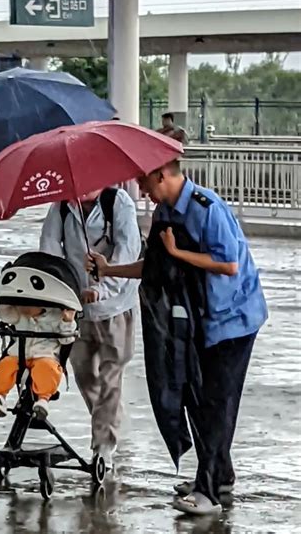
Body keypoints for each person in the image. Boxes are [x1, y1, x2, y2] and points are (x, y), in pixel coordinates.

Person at [88, 160, 268, 514]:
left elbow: (228, 264)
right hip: (197, 321)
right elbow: (154, 265)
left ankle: (208, 491)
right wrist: (109, 269)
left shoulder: (206, 207)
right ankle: (220, 474)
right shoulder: (163, 214)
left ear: (163, 175)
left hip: (233, 319)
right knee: (197, 399)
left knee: (217, 403)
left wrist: (177, 252)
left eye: (143, 181)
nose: (140, 189)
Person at [40, 188, 141, 470]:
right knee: (84, 374)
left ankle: (102, 446)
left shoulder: (117, 203)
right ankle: (110, 421)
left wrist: (103, 287)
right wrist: (57, 290)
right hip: (76, 306)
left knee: (111, 375)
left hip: (116, 306)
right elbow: (49, 247)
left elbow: (127, 250)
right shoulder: (61, 206)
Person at [0, 304, 77, 420]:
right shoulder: (19, 315)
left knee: (47, 368)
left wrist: (68, 320)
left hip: (45, 354)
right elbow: (5, 315)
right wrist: (3, 301)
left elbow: (66, 339)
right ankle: (0, 396)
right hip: (19, 353)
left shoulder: (56, 315)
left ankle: (43, 399)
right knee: (6, 366)